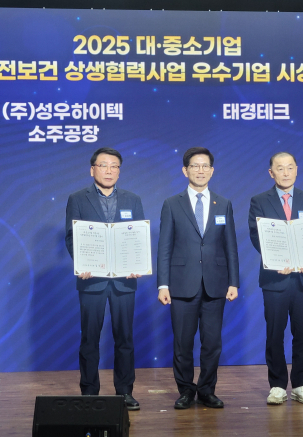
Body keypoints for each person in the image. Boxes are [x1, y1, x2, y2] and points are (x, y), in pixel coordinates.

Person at [157, 147, 240, 410]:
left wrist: (233, 281)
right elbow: (164, 247)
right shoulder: (172, 203)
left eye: (205, 166)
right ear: (185, 171)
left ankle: (206, 390)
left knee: (212, 343)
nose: (200, 170)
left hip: (216, 284)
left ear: (212, 171)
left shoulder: (223, 204)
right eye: (195, 166)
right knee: (182, 344)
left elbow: (231, 246)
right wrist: (163, 284)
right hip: (181, 284)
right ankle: (185, 391)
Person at [65, 147, 144, 411]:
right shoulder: (78, 198)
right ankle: (89, 392)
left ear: (119, 171)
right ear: (92, 170)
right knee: (90, 339)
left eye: (114, 166)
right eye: (103, 165)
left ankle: (125, 392)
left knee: (125, 338)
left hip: (124, 281)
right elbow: (71, 237)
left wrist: (136, 264)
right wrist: (82, 263)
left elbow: (137, 236)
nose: (109, 171)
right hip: (92, 280)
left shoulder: (133, 199)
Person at [248, 151, 303, 405]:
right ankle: (277, 385)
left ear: (297, 170)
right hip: (274, 279)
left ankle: (301, 384)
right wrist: (276, 260)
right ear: (272, 173)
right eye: (280, 168)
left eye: (290, 167)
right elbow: (256, 235)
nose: (286, 172)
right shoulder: (259, 200)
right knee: (274, 333)